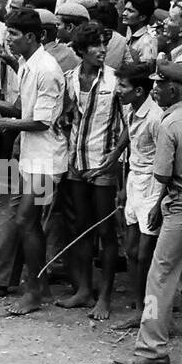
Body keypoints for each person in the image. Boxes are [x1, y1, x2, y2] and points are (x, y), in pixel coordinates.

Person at [0, 9, 67, 317]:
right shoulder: (29, 64)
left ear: (31, 36)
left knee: (26, 220)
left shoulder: (47, 69)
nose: (8, 39)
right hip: (31, 157)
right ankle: (38, 286)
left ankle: (34, 291)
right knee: (28, 222)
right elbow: (22, 107)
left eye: (13, 34)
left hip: (45, 159)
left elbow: (41, 121)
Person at [113, 63, 182, 364]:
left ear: (173, 89)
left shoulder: (170, 123)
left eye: (159, 86)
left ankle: (152, 348)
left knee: (160, 276)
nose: (155, 90)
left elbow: (162, 175)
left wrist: (158, 205)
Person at [57, 21, 122, 320]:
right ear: (81, 50)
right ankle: (84, 289)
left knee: (107, 232)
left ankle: (105, 297)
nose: (102, 49)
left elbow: (129, 125)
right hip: (76, 162)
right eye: (94, 45)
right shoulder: (70, 78)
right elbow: (65, 118)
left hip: (103, 164)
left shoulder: (115, 81)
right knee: (80, 228)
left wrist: (115, 155)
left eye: (103, 43)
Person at [102, 63, 162, 331]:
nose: (118, 91)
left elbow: (166, 162)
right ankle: (140, 309)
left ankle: (153, 314)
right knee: (133, 251)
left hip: (154, 186)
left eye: (123, 86)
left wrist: (160, 203)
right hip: (134, 181)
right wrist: (115, 156)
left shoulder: (157, 118)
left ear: (139, 90)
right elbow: (129, 133)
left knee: (147, 255)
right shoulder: (131, 109)